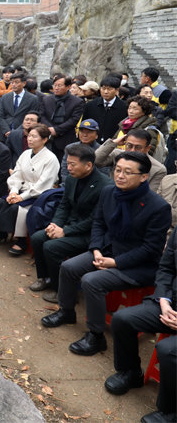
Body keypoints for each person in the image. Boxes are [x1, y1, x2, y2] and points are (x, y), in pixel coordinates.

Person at [41, 152, 171, 356]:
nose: (120, 176)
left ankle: (96, 336)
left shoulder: (158, 207)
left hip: (137, 264)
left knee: (92, 281)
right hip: (107, 250)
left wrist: (115, 262)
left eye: (128, 172)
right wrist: (96, 249)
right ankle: (66, 311)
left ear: (144, 177)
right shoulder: (110, 192)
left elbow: (151, 249)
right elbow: (99, 223)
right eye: (118, 170)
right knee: (68, 267)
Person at [105, 230, 176, 423]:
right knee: (122, 319)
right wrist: (164, 301)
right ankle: (131, 372)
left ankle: (171, 411)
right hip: (169, 305)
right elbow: (166, 269)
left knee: (168, 350)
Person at [30, 143, 112, 303]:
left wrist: (65, 231)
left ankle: (63, 291)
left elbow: (95, 220)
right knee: (38, 237)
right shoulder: (71, 180)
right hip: (69, 225)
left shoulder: (105, 186)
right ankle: (45, 278)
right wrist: (55, 225)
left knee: (51, 247)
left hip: (89, 233)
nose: (68, 168)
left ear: (88, 165)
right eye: (67, 163)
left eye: (72, 164)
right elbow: (64, 206)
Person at [0, 124, 60, 254]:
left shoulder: (51, 159)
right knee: (3, 202)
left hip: (38, 195)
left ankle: (21, 241)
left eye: (34, 136)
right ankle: (2, 232)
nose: (30, 139)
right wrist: (14, 191)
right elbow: (17, 174)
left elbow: (44, 184)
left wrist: (22, 197)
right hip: (20, 190)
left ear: (44, 139)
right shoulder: (25, 154)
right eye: (29, 136)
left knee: (18, 209)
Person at [95, 129, 167, 192]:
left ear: (148, 148)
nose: (132, 150)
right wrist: (113, 143)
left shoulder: (158, 169)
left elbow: (151, 195)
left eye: (138, 147)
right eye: (129, 146)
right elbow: (96, 160)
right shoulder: (117, 154)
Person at [40, 74, 85, 163]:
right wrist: (50, 129)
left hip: (66, 138)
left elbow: (74, 120)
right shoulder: (46, 99)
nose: (56, 88)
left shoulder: (77, 102)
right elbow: (42, 115)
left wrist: (56, 130)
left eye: (59, 85)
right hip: (48, 137)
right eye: (55, 85)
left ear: (68, 86)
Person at [81, 76, 128, 144]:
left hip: (114, 143)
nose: (106, 92)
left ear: (117, 90)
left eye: (109, 89)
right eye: (103, 88)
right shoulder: (91, 105)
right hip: (93, 143)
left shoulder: (124, 107)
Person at [59, 119, 108, 183]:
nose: (85, 135)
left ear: (96, 135)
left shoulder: (102, 150)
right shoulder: (70, 148)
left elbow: (103, 173)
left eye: (89, 132)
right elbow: (65, 170)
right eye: (82, 131)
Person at [0, 72, 41, 139]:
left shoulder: (32, 99)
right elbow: (0, 116)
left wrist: (16, 132)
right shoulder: (5, 97)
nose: (13, 85)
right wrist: (6, 130)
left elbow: (32, 117)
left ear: (24, 83)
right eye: (12, 82)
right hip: (5, 134)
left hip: (23, 134)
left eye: (16, 82)